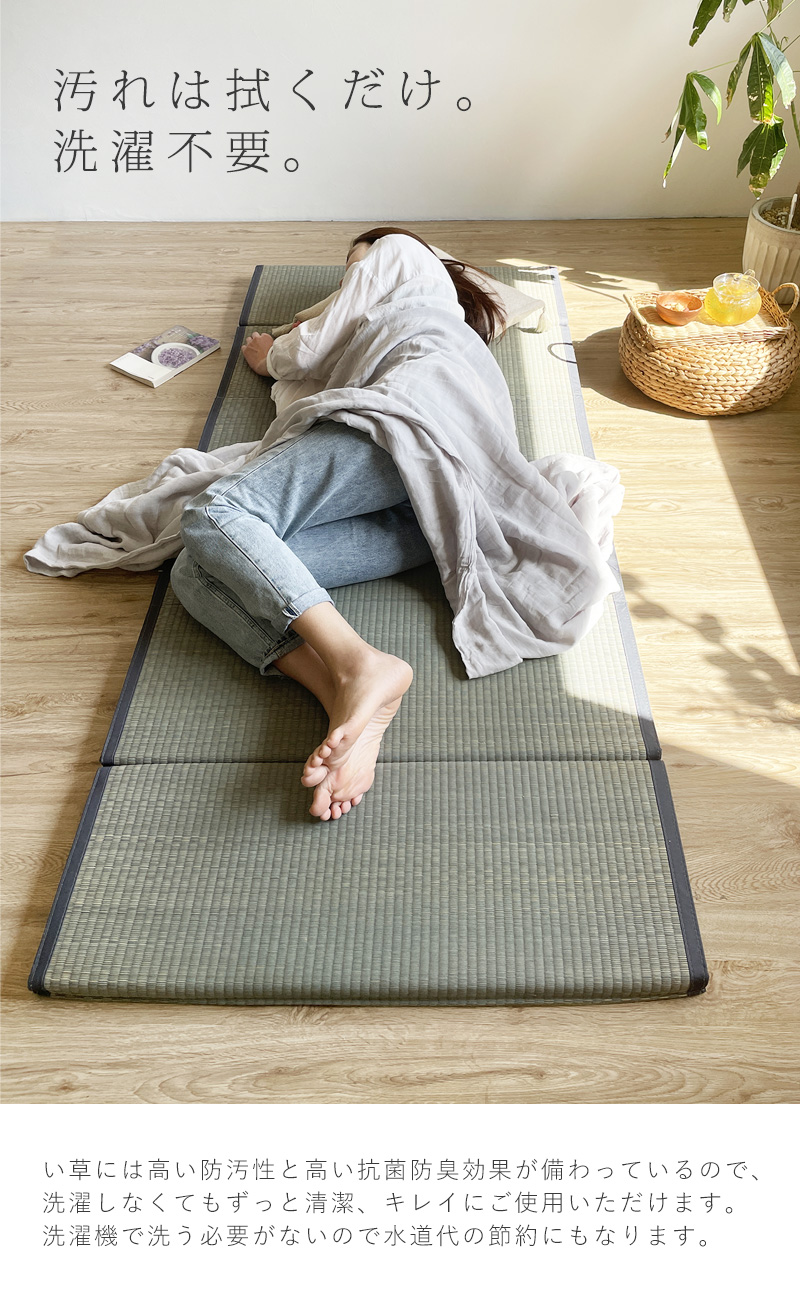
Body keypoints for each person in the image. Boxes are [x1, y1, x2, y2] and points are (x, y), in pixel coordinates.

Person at [171, 227, 618, 823]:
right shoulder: (391, 339)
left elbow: (306, 351)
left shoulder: (403, 256)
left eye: (350, 263)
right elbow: (308, 398)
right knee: (197, 570)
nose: (347, 275)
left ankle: (359, 661)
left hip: (413, 427)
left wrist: (270, 355)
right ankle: (343, 700)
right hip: (436, 516)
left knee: (215, 513)